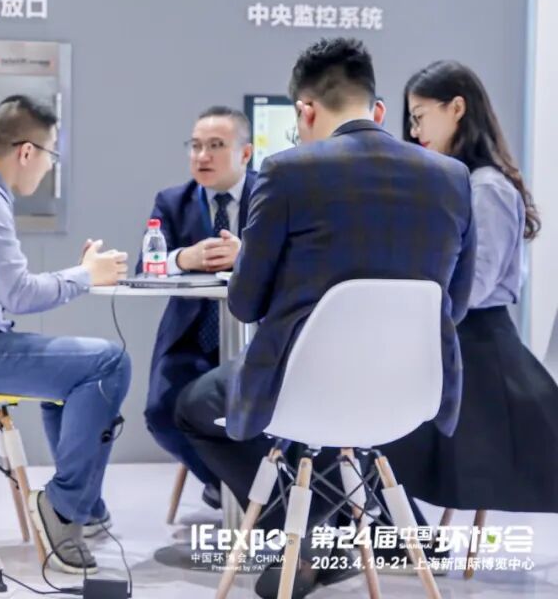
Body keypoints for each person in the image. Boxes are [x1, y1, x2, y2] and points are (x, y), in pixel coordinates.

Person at [174, 38, 476, 598]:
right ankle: (329, 531)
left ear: (305, 111)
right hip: (408, 393)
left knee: (192, 406)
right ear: (376, 108)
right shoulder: (451, 176)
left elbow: (245, 303)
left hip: (305, 392)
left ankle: (308, 533)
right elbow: (453, 306)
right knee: (309, 421)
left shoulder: (286, 172)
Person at [381, 60, 558, 512]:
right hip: (455, 342)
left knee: (377, 451)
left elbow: (475, 285)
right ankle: (406, 539)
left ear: (456, 108)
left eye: (420, 116)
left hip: (477, 350)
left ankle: (405, 540)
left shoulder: (486, 189)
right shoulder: (461, 184)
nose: (414, 131)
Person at [0, 95, 133, 575]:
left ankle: (85, 502)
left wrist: (80, 272)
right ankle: (65, 509)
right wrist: (87, 276)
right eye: (51, 156)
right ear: (27, 152)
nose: (48, 168)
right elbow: (20, 293)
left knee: (76, 373)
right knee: (108, 363)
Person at [141, 106, 255, 510]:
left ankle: (251, 492)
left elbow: (294, 258)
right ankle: (226, 482)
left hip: (258, 338)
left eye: (216, 145)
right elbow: (146, 265)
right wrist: (182, 258)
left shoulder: (272, 196)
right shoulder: (173, 201)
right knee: (160, 413)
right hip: (191, 339)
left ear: (245, 153)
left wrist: (248, 254)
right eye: (195, 146)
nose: (202, 156)